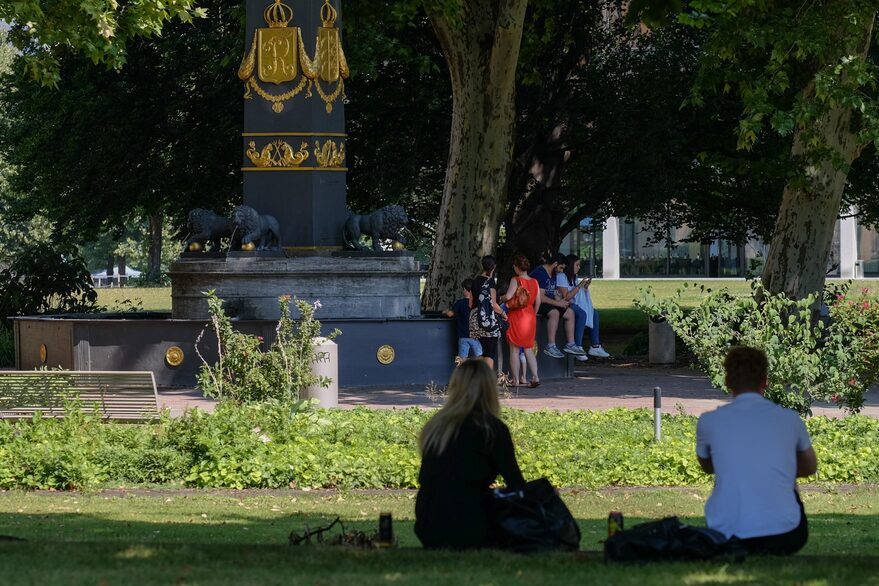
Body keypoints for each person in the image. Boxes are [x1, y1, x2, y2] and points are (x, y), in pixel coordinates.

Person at [696, 346, 817, 555]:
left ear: (728, 382)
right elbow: (809, 467)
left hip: (726, 534)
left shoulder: (709, 421)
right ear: (765, 380)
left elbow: (707, 467)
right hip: (787, 536)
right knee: (789, 485)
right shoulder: (789, 419)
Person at [415, 359, 526, 549]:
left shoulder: (436, 427)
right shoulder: (491, 429)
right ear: (489, 388)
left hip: (429, 523)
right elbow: (516, 484)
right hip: (470, 524)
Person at [529, 253, 585, 359]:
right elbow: (540, 297)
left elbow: (553, 292)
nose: (561, 271)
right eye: (561, 267)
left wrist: (561, 301)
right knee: (554, 313)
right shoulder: (540, 273)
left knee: (570, 313)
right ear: (555, 264)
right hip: (535, 302)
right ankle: (551, 345)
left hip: (548, 301)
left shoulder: (554, 274)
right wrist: (558, 303)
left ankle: (571, 344)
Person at [556, 254, 610, 361]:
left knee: (594, 313)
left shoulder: (573, 278)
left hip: (572, 303)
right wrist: (580, 286)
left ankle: (595, 346)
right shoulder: (561, 277)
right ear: (571, 265)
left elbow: (577, 294)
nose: (579, 267)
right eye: (577, 265)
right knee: (582, 313)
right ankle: (578, 346)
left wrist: (584, 287)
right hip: (563, 304)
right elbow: (566, 297)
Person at [504, 254, 540, 388]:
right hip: (530, 316)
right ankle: (535, 376)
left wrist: (500, 298)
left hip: (517, 316)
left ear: (517, 267)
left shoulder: (516, 279)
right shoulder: (535, 282)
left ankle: (515, 379)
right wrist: (533, 315)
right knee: (528, 349)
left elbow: (508, 296)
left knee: (514, 350)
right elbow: (538, 301)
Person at [471, 255, 506, 370]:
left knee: (479, 352)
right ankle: (487, 383)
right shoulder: (490, 282)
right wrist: (503, 314)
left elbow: (470, 304)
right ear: (494, 267)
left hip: (475, 321)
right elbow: (494, 305)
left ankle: (478, 380)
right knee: (489, 353)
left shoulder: (475, 281)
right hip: (488, 321)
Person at [443, 278, 482, 363]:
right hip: (475, 336)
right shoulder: (478, 303)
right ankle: (480, 373)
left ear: (465, 289)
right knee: (479, 357)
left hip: (463, 337)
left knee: (462, 360)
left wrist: (445, 311)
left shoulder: (460, 303)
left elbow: (451, 314)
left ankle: (462, 375)